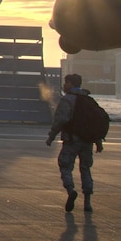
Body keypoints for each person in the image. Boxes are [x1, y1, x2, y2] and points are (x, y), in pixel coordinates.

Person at [46, 72, 103, 213]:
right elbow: (95, 123)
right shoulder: (89, 100)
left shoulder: (67, 100)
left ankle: (71, 190)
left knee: (65, 166)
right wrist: (98, 142)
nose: (64, 85)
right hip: (87, 141)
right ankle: (87, 203)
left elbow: (60, 120)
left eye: (67, 83)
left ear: (71, 84)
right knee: (85, 169)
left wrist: (51, 136)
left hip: (71, 140)